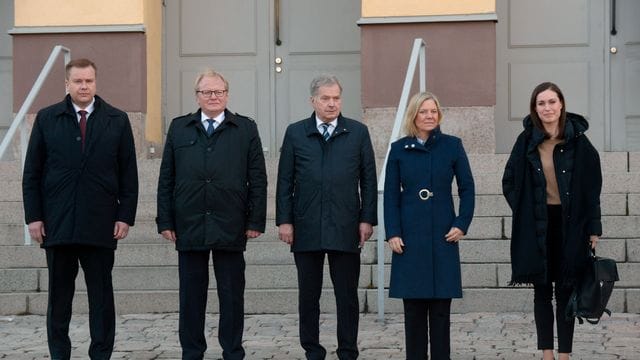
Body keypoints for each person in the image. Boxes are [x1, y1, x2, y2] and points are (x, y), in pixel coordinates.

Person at [22, 58, 139, 359]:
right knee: (59, 298)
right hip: (57, 224)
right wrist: (33, 217)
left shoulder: (117, 119)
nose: (84, 86)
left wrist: (125, 216)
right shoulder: (47, 119)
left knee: (101, 298)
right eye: (78, 81)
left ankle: (101, 353)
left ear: (95, 83)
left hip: (101, 224)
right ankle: (59, 354)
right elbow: (32, 173)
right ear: (67, 84)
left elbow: (128, 173)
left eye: (88, 81)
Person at [156, 69, 267, 360]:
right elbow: (166, 176)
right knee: (191, 297)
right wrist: (165, 220)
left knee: (231, 295)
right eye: (207, 92)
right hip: (189, 223)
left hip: (231, 222)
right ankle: (192, 352)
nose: (213, 96)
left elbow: (258, 177)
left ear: (227, 94)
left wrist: (255, 220)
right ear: (197, 96)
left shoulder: (244, 128)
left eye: (219, 91)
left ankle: (232, 351)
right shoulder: (180, 128)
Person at [275, 74, 377, 360]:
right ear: (313, 101)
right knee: (309, 295)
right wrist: (285, 220)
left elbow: (369, 179)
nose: (332, 104)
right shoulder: (296, 132)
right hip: (306, 226)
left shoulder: (357, 132)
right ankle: (312, 349)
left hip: (346, 225)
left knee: (347, 295)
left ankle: (348, 350)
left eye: (336, 98)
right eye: (325, 98)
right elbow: (285, 180)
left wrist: (367, 218)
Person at [502, 82, 602, 360]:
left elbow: (592, 188)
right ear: (535, 108)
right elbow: (509, 180)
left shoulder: (579, 142)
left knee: (566, 291)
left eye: (551, 102)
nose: (547, 108)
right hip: (537, 224)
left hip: (570, 225)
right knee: (542, 292)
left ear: (561, 105)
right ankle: (547, 353)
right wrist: (525, 210)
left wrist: (594, 228)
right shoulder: (526, 140)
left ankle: (565, 354)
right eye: (541, 103)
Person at [383, 91, 475, 359]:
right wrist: (393, 232)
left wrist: (462, 222)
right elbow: (390, 194)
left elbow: (467, 188)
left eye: (433, 111)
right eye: (423, 111)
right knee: (412, 311)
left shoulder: (452, 145)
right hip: (409, 238)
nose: (429, 116)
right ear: (414, 114)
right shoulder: (399, 149)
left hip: (442, 237)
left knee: (440, 311)